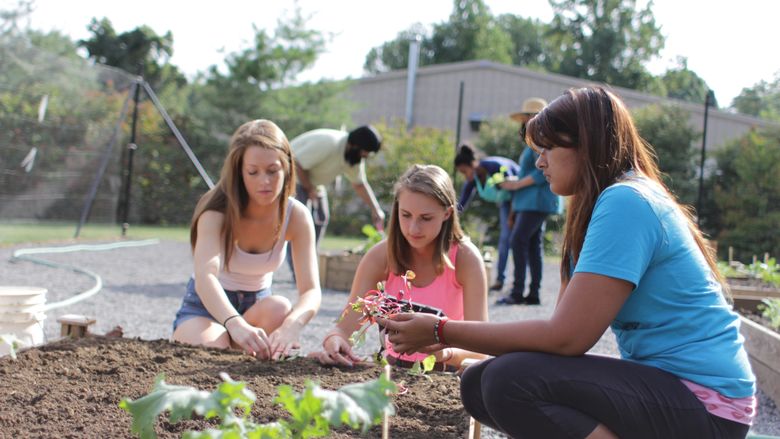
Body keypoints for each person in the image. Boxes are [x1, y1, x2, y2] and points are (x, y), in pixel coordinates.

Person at [380, 87, 756, 438]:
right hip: (668, 389)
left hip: (709, 405)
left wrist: (440, 331)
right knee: (478, 383)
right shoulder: (597, 206)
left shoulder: (627, 201)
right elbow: (554, 336)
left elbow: (567, 338)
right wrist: (462, 350)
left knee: (508, 381)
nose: (539, 162)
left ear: (586, 147)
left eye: (547, 148)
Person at [311, 164, 488, 371]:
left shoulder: (466, 259)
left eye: (426, 218)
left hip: (447, 374)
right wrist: (335, 341)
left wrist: (443, 353)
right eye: (406, 215)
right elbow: (345, 327)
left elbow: (480, 347)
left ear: (447, 214)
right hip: (394, 372)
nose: (414, 228)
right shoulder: (381, 256)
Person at [172, 119, 322, 361]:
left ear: (287, 168)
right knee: (215, 351)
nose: (265, 181)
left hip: (258, 307)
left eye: (273, 171)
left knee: (281, 308)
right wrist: (234, 323)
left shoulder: (297, 215)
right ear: (239, 172)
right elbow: (205, 276)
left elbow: (311, 290)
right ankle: (212, 341)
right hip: (207, 309)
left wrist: (291, 325)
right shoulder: (215, 211)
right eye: (253, 172)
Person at [495, 97, 560, 306]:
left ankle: (517, 292)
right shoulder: (535, 141)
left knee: (518, 240)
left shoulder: (539, 140)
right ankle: (532, 294)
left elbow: (542, 172)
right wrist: (515, 183)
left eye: (526, 117)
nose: (523, 122)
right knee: (532, 245)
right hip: (531, 202)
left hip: (536, 202)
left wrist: (516, 185)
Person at [290, 125, 386, 245]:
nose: (364, 157)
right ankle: (294, 261)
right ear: (354, 145)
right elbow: (296, 162)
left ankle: (311, 256)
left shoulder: (352, 158)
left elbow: (359, 184)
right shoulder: (329, 143)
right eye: (364, 153)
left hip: (313, 183)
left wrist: (375, 209)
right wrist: (309, 188)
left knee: (321, 218)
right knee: (301, 220)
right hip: (292, 178)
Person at [454, 144, 519, 292]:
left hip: (520, 199)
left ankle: (518, 283)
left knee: (518, 241)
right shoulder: (472, 180)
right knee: (505, 239)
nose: (465, 176)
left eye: (465, 171)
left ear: (472, 164)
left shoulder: (492, 166)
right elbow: (462, 204)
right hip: (505, 203)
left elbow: (514, 184)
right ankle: (500, 279)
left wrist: (513, 214)